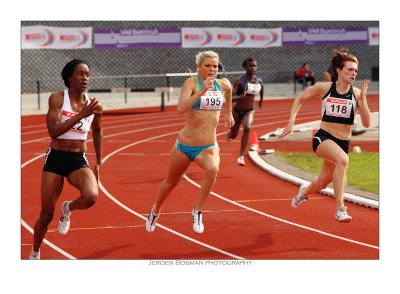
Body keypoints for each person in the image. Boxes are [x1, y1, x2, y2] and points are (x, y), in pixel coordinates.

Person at [145, 50, 234, 234]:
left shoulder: (223, 84)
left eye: (215, 66)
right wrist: (202, 91)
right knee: (171, 182)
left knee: (213, 169)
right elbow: (180, 108)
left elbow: (230, 89)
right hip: (185, 145)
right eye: (207, 65)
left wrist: (229, 112)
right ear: (199, 67)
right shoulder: (191, 83)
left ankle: (197, 210)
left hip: (208, 145)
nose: (212, 69)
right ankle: (155, 210)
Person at [279, 48, 371, 222]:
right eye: (349, 70)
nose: (354, 73)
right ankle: (340, 210)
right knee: (343, 161)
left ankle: (303, 192)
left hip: (343, 142)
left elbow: (366, 123)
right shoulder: (324, 88)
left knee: (322, 182)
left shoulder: (357, 94)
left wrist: (363, 101)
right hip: (323, 137)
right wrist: (291, 121)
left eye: (356, 70)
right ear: (338, 70)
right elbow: (300, 98)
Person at [29, 59, 103, 259]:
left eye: (87, 74)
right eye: (80, 73)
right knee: (45, 216)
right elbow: (53, 132)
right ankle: (35, 252)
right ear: (69, 77)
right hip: (56, 159)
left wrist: (99, 162)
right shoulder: (58, 99)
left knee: (91, 197)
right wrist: (80, 115)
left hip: (78, 159)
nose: (85, 78)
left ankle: (67, 208)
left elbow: (97, 131)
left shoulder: (94, 105)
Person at [227, 57, 264, 166]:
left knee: (247, 127)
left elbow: (262, 89)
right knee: (233, 135)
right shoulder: (239, 81)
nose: (253, 67)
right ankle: (229, 133)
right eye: (250, 65)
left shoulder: (259, 81)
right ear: (245, 67)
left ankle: (241, 156)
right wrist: (240, 97)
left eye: (254, 66)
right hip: (237, 110)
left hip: (249, 110)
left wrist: (261, 101)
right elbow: (230, 98)